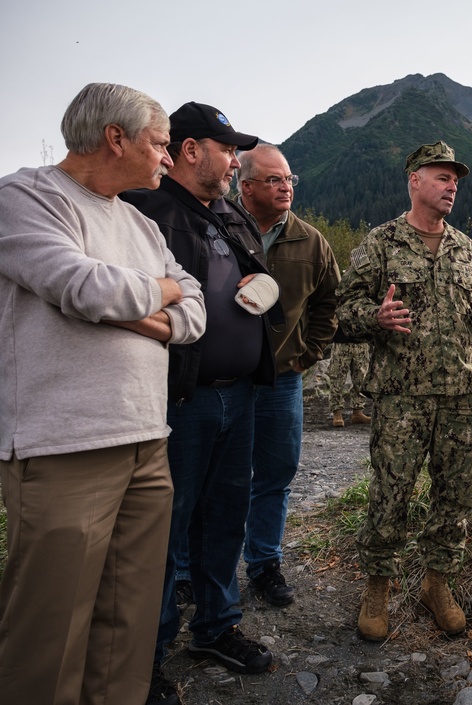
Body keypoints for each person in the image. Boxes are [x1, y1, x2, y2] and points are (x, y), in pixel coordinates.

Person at [0, 83, 206, 705]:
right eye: (160, 143)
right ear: (116, 138)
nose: (168, 157)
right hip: (65, 444)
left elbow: (194, 312)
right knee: (50, 632)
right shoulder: (26, 197)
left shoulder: (142, 223)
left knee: (128, 626)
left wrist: (140, 305)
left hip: (147, 440)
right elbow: (84, 287)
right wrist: (160, 292)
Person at [121, 102, 280, 704]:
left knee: (224, 519)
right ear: (191, 151)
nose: (236, 162)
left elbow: (257, 285)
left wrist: (261, 287)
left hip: (239, 395)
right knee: (163, 530)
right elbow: (130, 301)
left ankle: (215, 628)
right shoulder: (146, 210)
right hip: (179, 400)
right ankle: (145, 657)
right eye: (227, 150)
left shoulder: (231, 215)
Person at [335, 141, 472, 641]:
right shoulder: (381, 243)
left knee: (457, 495)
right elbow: (341, 312)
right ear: (414, 180)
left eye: (455, 180)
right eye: (442, 177)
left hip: (463, 393)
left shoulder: (465, 247)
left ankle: (437, 584)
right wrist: (374, 317)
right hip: (403, 395)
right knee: (390, 492)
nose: (451, 186)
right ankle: (378, 587)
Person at [236, 144, 340, 605]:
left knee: (275, 475)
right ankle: (187, 570)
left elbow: (329, 303)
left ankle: (264, 564)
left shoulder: (311, 241)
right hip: (221, 380)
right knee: (211, 477)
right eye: (274, 179)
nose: (286, 187)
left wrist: (307, 354)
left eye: (289, 179)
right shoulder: (218, 228)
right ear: (246, 186)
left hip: (281, 380)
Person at [318, 340, 371, 427]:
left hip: (361, 342)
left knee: (361, 379)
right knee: (337, 378)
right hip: (341, 342)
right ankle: (337, 412)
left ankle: (358, 412)